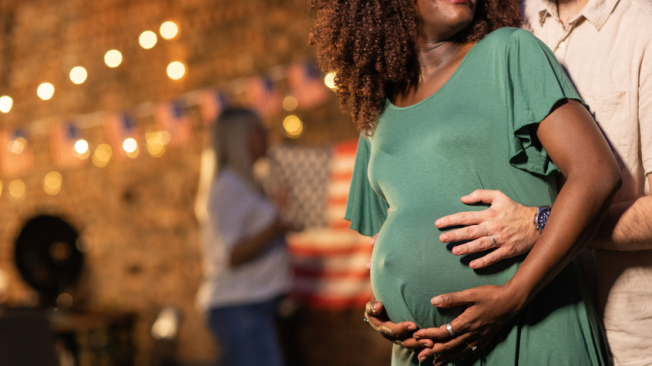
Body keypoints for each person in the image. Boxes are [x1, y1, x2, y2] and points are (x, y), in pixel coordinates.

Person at [310, 0, 622, 365]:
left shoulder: (509, 52)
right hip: (424, 353)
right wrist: (382, 308)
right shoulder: (376, 111)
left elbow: (597, 173)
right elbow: (393, 240)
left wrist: (513, 295)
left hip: (530, 326)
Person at [195, 108, 299, 366]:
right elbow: (232, 255)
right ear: (240, 139)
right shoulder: (227, 188)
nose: (266, 136)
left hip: (250, 306)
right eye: (258, 131)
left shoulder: (244, 184)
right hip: (239, 307)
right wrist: (275, 228)